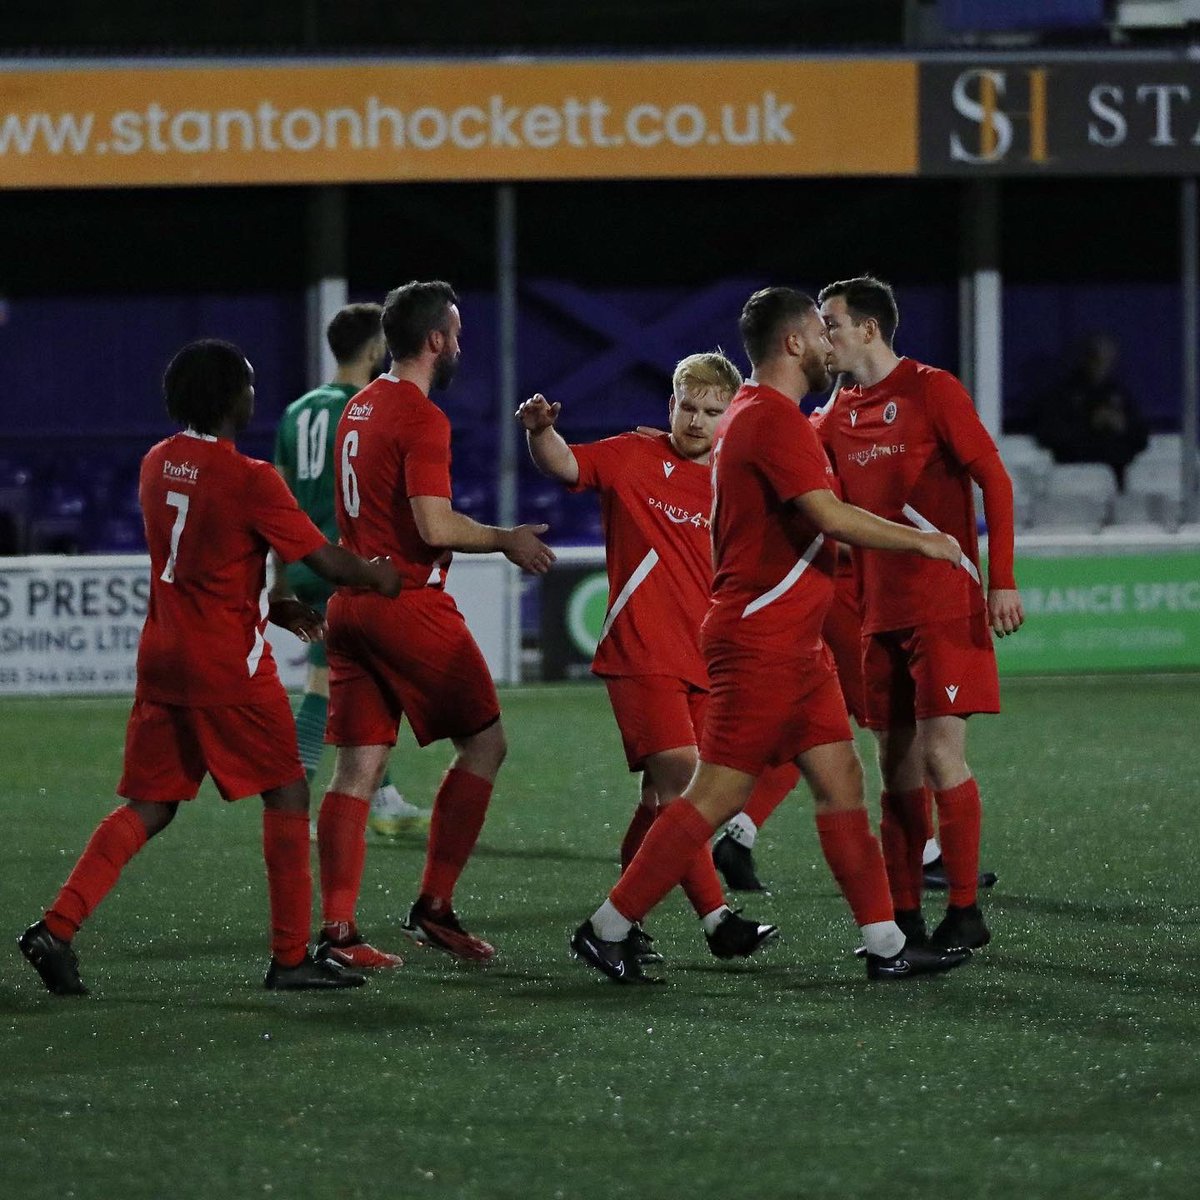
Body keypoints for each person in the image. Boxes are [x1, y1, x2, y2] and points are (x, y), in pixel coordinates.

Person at [569, 287, 971, 984]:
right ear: (792, 342)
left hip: (797, 641)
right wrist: (927, 543)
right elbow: (829, 516)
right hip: (762, 637)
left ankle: (884, 945)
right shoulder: (772, 420)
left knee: (841, 780)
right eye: (820, 332)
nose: (827, 345)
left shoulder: (761, 416)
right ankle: (606, 928)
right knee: (714, 794)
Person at [18, 339, 402, 996]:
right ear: (230, 398)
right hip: (225, 665)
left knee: (152, 803)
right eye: (248, 385)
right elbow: (326, 561)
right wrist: (383, 576)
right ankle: (288, 958)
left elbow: (208, 554)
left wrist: (271, 601)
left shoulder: (156, 462)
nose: (255, 395)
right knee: (287, 790)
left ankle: (56, 927)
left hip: (163, 658)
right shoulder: (251, 478)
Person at [518, 352, 795, 965]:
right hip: (640, 652)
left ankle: (622, 924)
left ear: (730, 416)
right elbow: (565, 464)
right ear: (670, 406)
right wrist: (541, 431)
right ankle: (717, 920)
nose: (697, 421)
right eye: (688, 408)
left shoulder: (739, 478)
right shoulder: (631, 454)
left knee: (658, 804)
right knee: (686, 782)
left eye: (712, 412)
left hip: (707, 661)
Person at [314, 280, 555, 969]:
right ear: (436, 341)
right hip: (404, 604)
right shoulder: (422, 418)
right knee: (485, 744)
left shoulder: (358, 406)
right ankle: (434, 907)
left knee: (356, 767)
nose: (460, 344)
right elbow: (433, 524)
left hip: (353, 605)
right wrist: (507, 538)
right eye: (456, 332)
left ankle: (337, 932)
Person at [711, 387, 999, 896]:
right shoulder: (825, 428)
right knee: (895, 729)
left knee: (816, 729)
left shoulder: (812, 426)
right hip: (844, 593)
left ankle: (742, 832)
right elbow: (834, 516)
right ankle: (924, 855)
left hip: (825, 593)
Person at [817, 275, 1023, 955]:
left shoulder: (933, 390)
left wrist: (1002, 582)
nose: (826, 337)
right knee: (895, 768)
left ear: (870, 328)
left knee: (940, 754)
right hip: (879, 612)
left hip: (944, 602)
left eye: (834, 323)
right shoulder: (834, 414)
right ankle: (903, 917)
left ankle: (964, 911)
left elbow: (994, 476)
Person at [274, 302, 429, 838]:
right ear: (372, 349)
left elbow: (281, 488)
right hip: (345, 559)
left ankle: (381, 795)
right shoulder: (364, 408)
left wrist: (279, 572)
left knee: (368, 680)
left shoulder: (296, 411)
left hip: (302, 560)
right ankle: (293, 805)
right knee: (325, 685)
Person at [1033, 333, 1147, 491]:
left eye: (1108, 360)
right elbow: (1049, 435)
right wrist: (1089, 423)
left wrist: (1122, 426)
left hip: (1116, 473)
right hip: (1074, 471)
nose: (1102, 366)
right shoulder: (1063, 394)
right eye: (1097, 359)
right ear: (1086, 358)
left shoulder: (1119, 394)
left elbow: (1141, 438)